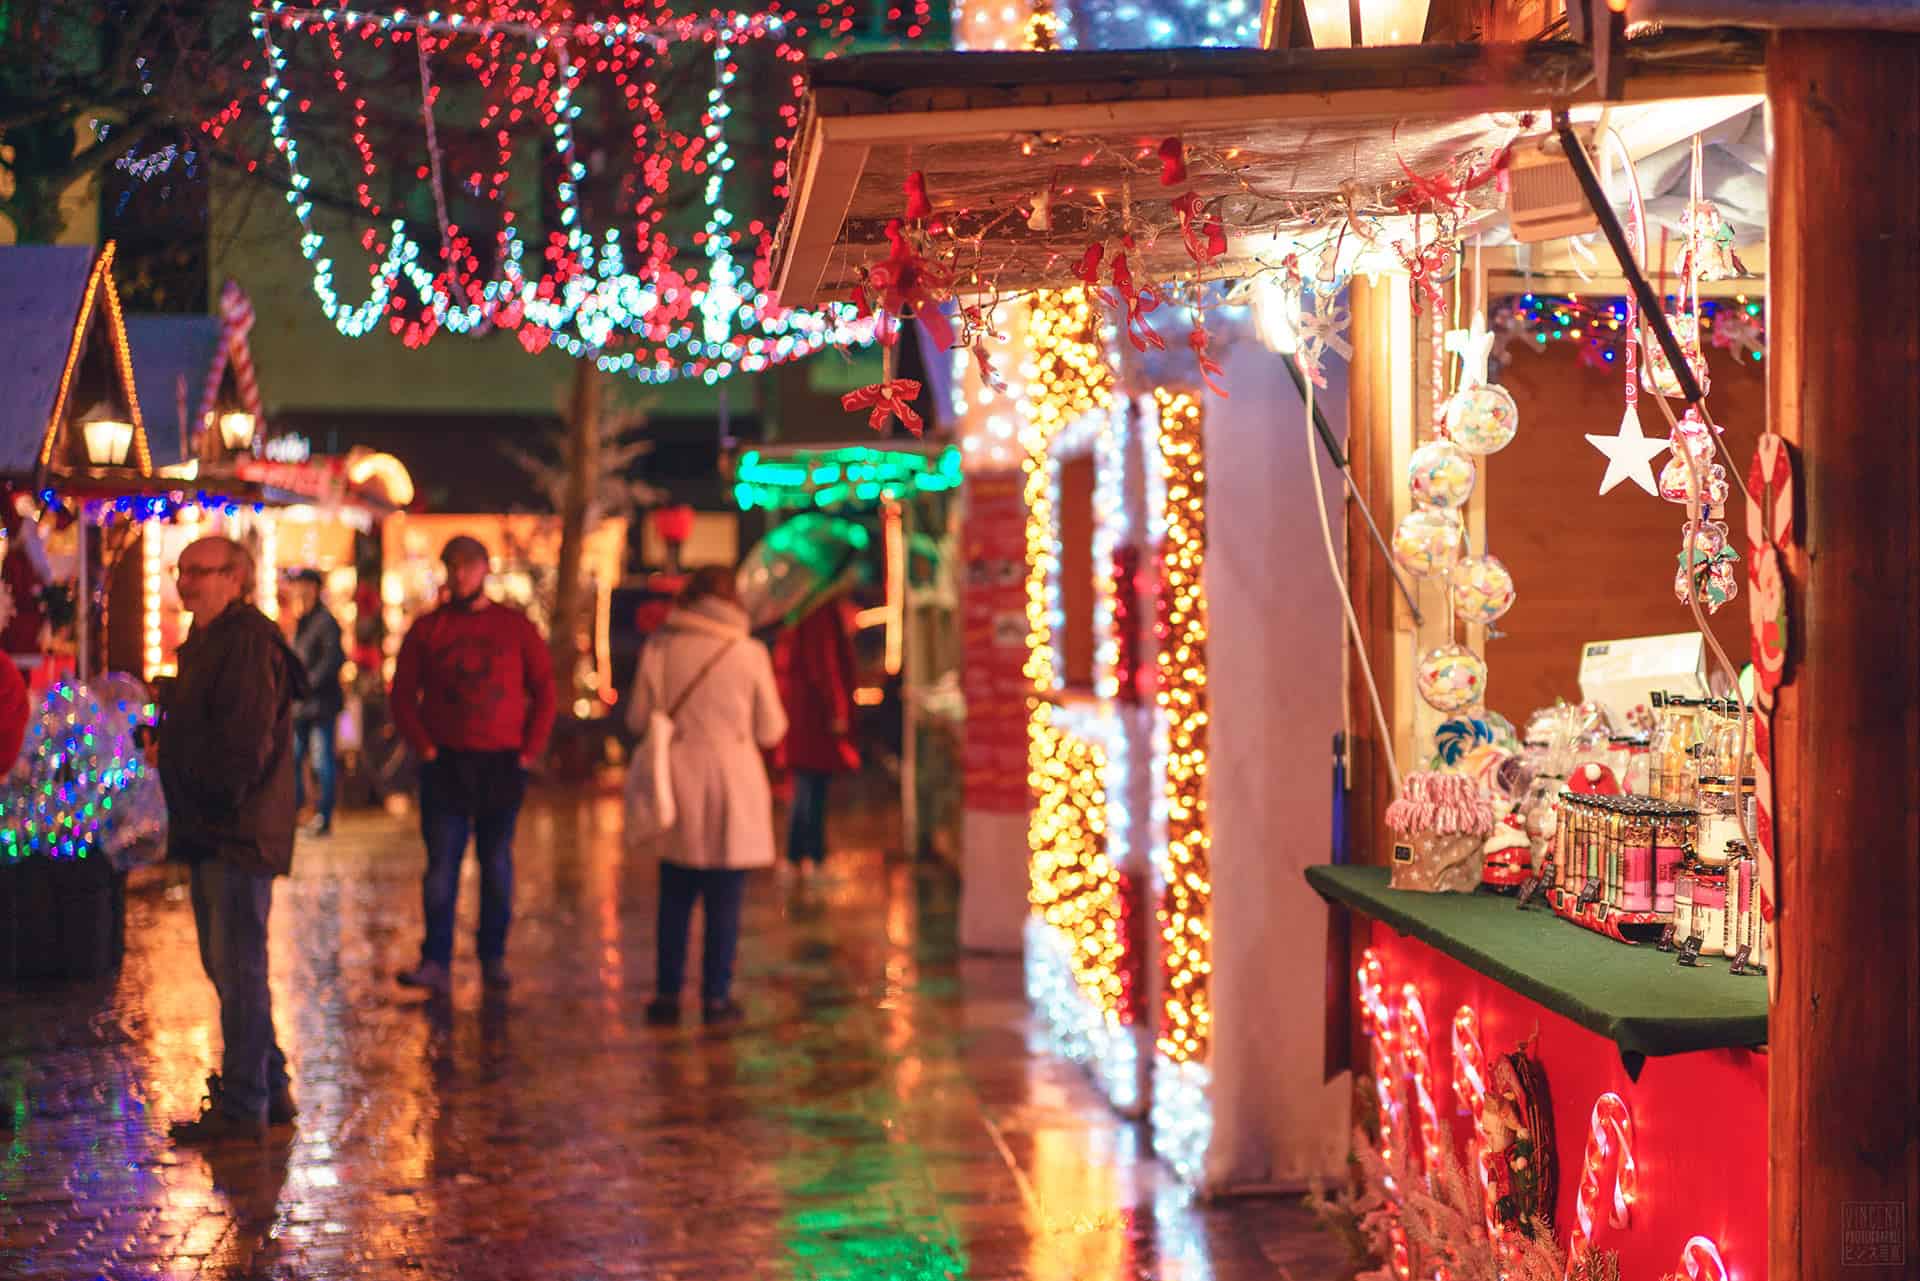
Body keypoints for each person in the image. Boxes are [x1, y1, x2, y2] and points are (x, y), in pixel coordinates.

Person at [157, 536, 306, 1142]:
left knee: (237, 965)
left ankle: (246, 1105)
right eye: (182, 570)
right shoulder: (210, 639)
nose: (186, 582)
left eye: (200, 571)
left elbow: (243, 744)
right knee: (229, 965)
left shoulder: (244, 643)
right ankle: (269, 1083)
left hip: (235, 831)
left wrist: (210, 801)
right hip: (220, 828)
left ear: (235, 578)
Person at [390, 535, 555, 993]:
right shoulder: (428, 630)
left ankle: (493, 957)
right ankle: (437, 960)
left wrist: (527, 750)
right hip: (446, 763)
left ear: (484, 569)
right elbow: (402, 695)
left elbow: (544, 688)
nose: (460, 574)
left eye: (468, 566)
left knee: (496, 865)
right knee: (442, 867)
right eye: (453, 566)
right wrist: (423, 747)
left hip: (500, 763)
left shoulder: (514, 627)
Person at [628, 565, 787, 1027]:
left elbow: (640, 718)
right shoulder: (749, 652)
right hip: (733, 785)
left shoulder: (660, 647)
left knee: (674, 895)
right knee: (725, 899)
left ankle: (667, 995)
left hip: (675, 781)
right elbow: (771, 728)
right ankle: (716, 997)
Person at [773, 590, 859, 875]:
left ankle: (799, 855)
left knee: (805, 782)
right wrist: (838, 710)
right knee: (812, 785)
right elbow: (824, 665)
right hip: (814, 717)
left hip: (801, 713)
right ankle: (811, 855)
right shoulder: (818, 613)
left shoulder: (799, 611)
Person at [288, 569, 346, 836]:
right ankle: (301, 811)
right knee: (296, 757)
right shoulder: (304, 621)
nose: (299, 590)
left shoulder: (324, 621)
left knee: (322, 761)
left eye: (304, 585)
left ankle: (323, 815)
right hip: (303, 705)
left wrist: (306, 684)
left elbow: (332, 659)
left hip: (319, 703)